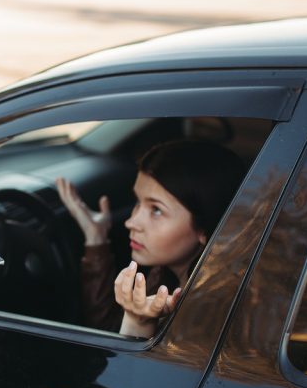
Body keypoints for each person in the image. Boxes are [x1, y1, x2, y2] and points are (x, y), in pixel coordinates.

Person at [57, 140, 245, 338]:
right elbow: (110, 330)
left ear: (205, 229)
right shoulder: (165, 273)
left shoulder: (208, 316)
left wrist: (139, 324)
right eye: (138, 202)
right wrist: (96, 237)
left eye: (156, 210)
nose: (131, 222)